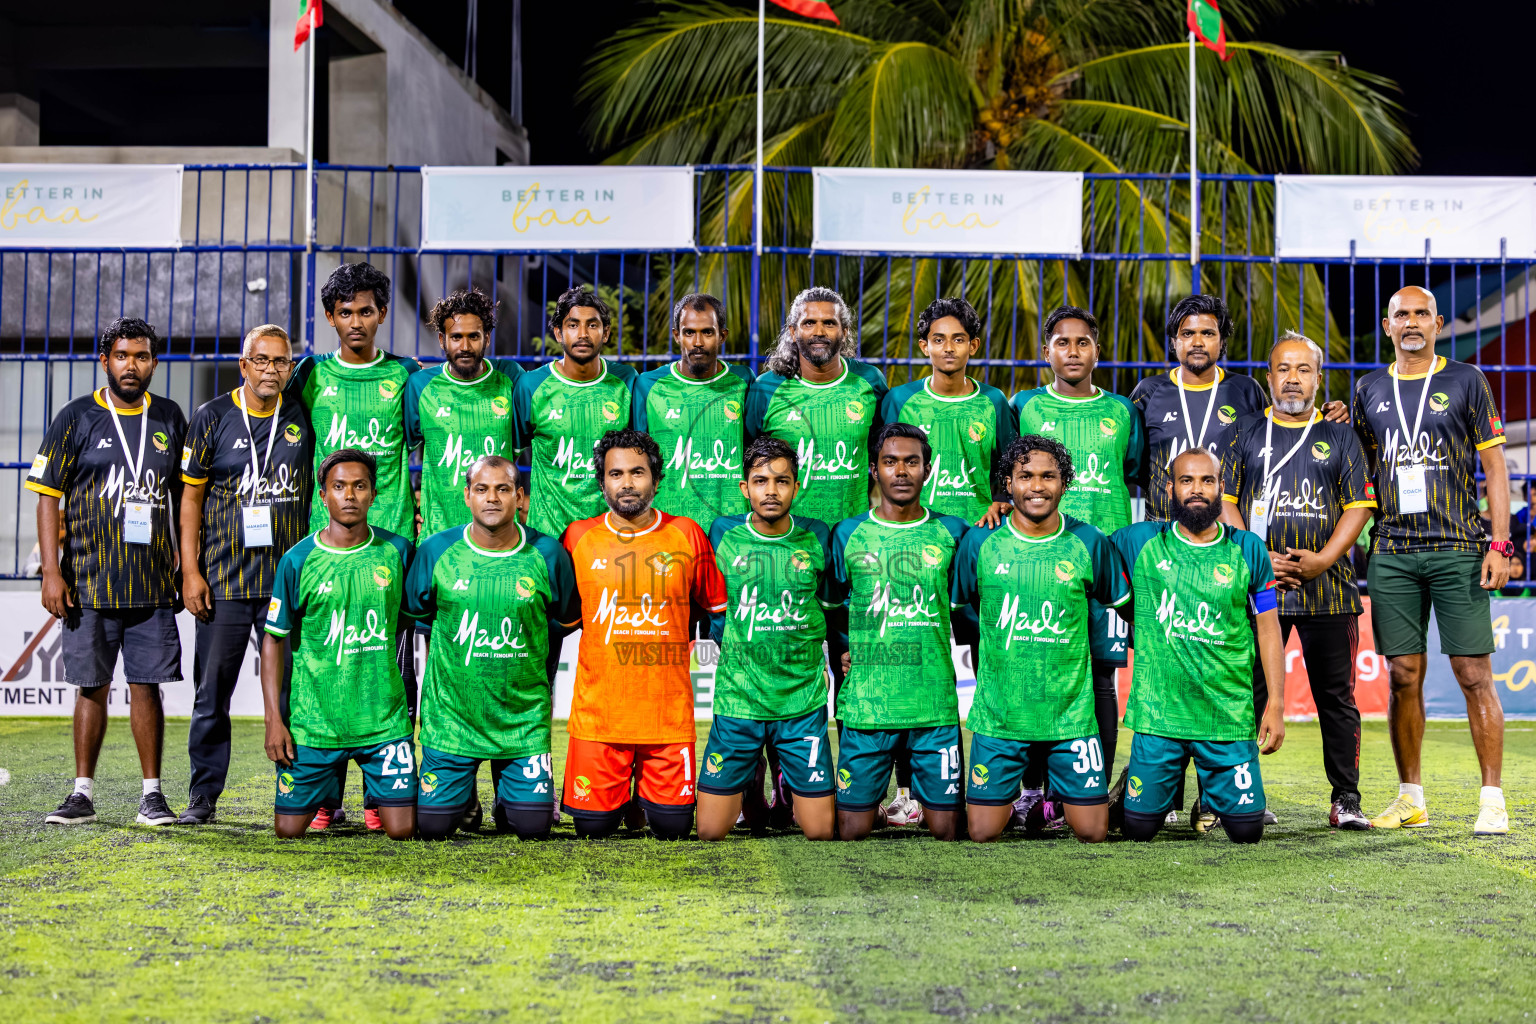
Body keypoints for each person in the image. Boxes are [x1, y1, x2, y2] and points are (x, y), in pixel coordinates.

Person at [1352, 285, 1512, 836]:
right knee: (1402, 676)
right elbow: (1359, 465)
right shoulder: (1369, 388)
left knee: (1473, 673)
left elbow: (1495, 466)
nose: (1412, 322)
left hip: (1457, 546)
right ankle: (1410, 798)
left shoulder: (1467, 380)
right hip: (1392, 550)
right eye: (1402, 314)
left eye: (1422, 313)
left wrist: (1499, 543)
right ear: (1388, 325)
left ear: (1438, 323)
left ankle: (1492, 799)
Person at [30, 317, 187, 827]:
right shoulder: (75, 416)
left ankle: (152, 796)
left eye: (141, 356)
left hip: (152, 582)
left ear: (154, 363)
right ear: (105, 361)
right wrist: (50, 572)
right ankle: (82, 793)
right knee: (91, 686)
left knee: (147, 687)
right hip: (88, 581)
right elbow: (47, 496)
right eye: (122, 356)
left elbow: (187, 496)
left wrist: (188, 565)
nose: (131, 365)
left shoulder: (169, 416)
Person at [1217, 331, 1376, 830]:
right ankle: (1236, 796)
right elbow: (1225, 502)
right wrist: (1256, 555)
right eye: (1283, 369)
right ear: (1269, 377)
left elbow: (1359, 505)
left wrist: (1323, 560)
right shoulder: (1244, 431)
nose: (1293, 378)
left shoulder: (1341, 435)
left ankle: (1346, 799)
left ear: (1318, 378)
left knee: (1336, 698)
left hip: (1329, 589)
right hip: (1258, 587)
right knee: (1244, 694)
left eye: (1303, 369)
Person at [287, 262, 421, 824]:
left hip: (390, 544)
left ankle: (380, 795)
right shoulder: (310, 375)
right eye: (346, 312)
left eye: (367, 311)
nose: (357, 322)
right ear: (330, 317)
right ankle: (326, 798)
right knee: (327, 664)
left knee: (385, 667)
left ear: (382, 313)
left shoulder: (407, 376)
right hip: (326, 545)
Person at [956, 435, 1129, 843]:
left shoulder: (1090, 542)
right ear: (1008, 483)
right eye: (1026, 476)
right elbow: (961, 609)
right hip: (1000, 717)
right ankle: (1021, 795)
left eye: (1048, 476)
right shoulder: (980, 541)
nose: (1037, 486)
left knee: (1093, 832)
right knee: (981, 832)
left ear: (1064, 483)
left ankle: (1113, 798)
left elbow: (1126, 606)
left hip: (1071, 717)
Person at [1110, 449, 1286, 843]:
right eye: (1186, 480)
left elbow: (1269, 630)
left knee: (1247, 832)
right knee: (1138, 830)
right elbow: (1086, 550)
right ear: (1170, 488)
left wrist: (1275, 704)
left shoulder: (1248, 548)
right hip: (1159, 718)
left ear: (1221, 488)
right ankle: (1129, 788)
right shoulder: (1140, 540)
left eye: (1207, 480)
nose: (1197, 489)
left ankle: (1211, 796)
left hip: (1225, 717)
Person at [559, 429, 727, 839]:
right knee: (592, 830)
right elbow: (561, 620)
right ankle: (623, 798)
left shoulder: (686, 533)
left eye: (638, 472)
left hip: (666, 719)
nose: (627, 483)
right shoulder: (578, 537)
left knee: (673, 829)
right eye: (616, 474)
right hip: (599, 720)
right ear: (602, 482)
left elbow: (718, 610)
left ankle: (640, 798)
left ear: (656, 479)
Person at [1012, 305, 1144, 826]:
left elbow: (1132, 471)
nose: (1072, 351)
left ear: (1096, 350)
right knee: (1034, 673)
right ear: (1046, 351)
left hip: (1104, 565)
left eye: (1082, 342)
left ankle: (1091, 790)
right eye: (1062, 342)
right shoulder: (1023, 406)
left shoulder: (1122, 411)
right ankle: (1032, 791)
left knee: (1101, 679)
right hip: (1037, 562)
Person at [403, 456, 580, 841]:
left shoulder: (548, 554)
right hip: (452, 721)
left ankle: (508, 798)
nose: (492, 498)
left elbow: (564, 622)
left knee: (532, 828)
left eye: (503, 489)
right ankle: (463, 792)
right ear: (467, 496)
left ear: (520, 496)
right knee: (433, 828)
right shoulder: (435, 550)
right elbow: (419, 616)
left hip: (521, 722)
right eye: (482, 489)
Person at [176, 324, 312, 824]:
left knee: (293, 696)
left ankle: (298, 793)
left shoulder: (303, 414)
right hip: (225, 582)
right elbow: (190, 499)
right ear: (244, 364)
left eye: (281, 361)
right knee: (212, 695)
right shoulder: (211, 417)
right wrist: (190, 571)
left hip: (286, 584)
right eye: (262, 360)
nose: (272, 370)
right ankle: (203, 796)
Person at [260, 449, 416, 841]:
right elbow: (273, 639)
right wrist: (274, 720)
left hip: (383, 723)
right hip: (315, 726)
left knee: (403, 830)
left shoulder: (398, 551)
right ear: (323, 496)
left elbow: (410, 624)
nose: (349, 495)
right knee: (288, 830)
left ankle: (372, 796)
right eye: (339, 486)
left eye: (359, 486)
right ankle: (327, 789)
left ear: (373, 494)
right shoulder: (297, 560)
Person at [825, 423, 969, 842]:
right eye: (890, 462)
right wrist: (846, 650)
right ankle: (878, 805)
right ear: (874, 470)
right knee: (851, 830)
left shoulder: (954, 531)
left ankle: (916, 801)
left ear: (928, 470)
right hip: (869, 706)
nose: (901, 471)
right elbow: (834, 608)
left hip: (933, 706)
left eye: (911, 462)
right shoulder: (847, 533)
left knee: (947, 830)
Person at [697, 437, 836, 842]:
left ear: (796, 486)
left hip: (801, 698)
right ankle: (751, 772)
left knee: (820, 830)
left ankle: (785, 780)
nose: (771, 491)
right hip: (739, 697)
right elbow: (713, 602)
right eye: (760, 481)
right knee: (709, 831)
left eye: (781, 481)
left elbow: (831, 606)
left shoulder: (818, 535)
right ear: (745, 488)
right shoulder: (722, 532)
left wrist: (838, 654)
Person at [745, 287, 889, 525]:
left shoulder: (869, 381)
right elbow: (748, 458)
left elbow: (884, 452)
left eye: (829, 323)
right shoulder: (766, 388)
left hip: (852, 530)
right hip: (789, 534)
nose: (819, 332)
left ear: (844, 331)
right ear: (793, 331)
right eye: (809, 323)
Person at [513, 286, 638, 539]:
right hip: (548, 536)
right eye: (573, 325)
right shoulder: (531, 386)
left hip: (610, 535)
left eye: (592, 325)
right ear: (558, 333)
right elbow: (507, 458)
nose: (582, 334)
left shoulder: (626, 381)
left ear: (606, 333)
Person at [879, 297, 1016, 525]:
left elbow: (1012, 465)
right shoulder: (900, 400)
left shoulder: (993, 401)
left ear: (973, 346)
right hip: (918, 527)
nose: (949, 348)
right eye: (939, 339)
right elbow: (882, 465)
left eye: (958, 339)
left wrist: (1002, 500)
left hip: (978, 526)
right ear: (925, 346)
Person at [404, 287, 523, 537]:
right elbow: (396, 456)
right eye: (456, 337)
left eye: (474, 336)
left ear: (487, 338)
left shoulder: (510, 378)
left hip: (499, 533)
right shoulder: (420, 385)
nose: (465, 346)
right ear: (442, 340)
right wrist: (408, 509)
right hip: (438, 533)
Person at [632, 293, 756, 525]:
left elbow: (755, 452)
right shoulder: (649, 385)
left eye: (707, 332)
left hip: (732, 525)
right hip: (669, 524)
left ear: (722, 336)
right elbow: (637, 460)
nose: (698, 342)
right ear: (677, 336)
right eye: (689, 332)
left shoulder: (743, 381)